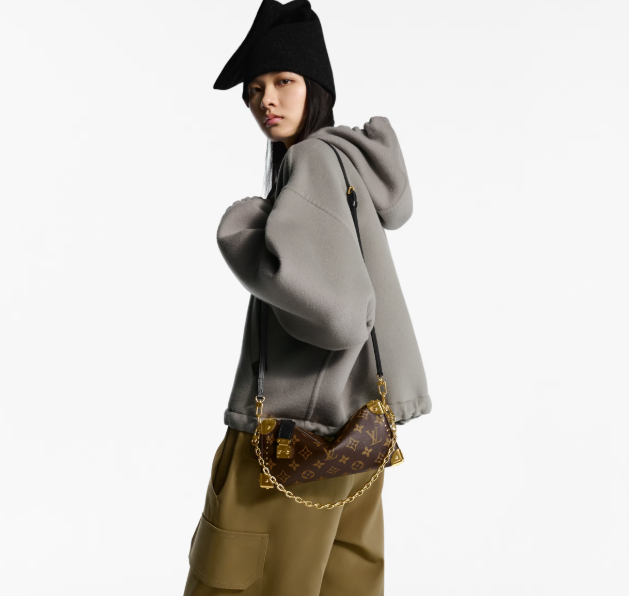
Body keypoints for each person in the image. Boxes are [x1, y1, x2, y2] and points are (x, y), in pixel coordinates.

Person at [182, 1, 431, 594]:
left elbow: (341, 316)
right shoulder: (349, 162)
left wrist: (246, 229)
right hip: (358, 435)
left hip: (294, 437)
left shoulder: (311, 160)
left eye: (284, 81)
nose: (265, 100)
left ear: (315, 86)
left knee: (236, 580)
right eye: (254, 90)